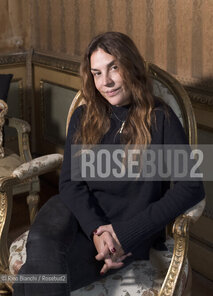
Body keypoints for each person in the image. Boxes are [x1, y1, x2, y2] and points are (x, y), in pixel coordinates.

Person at [13, 32, 205, 295]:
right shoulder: (84, 116)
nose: (107, 82)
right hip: (76, 214)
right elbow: (70, 183)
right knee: (42, 241)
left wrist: (124, 235)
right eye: (97, 73)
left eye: (114, 67)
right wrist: (95, 230)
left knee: (32, 279)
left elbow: (191, 187)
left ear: (131, 66)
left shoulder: (161, 118)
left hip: (124, 230)